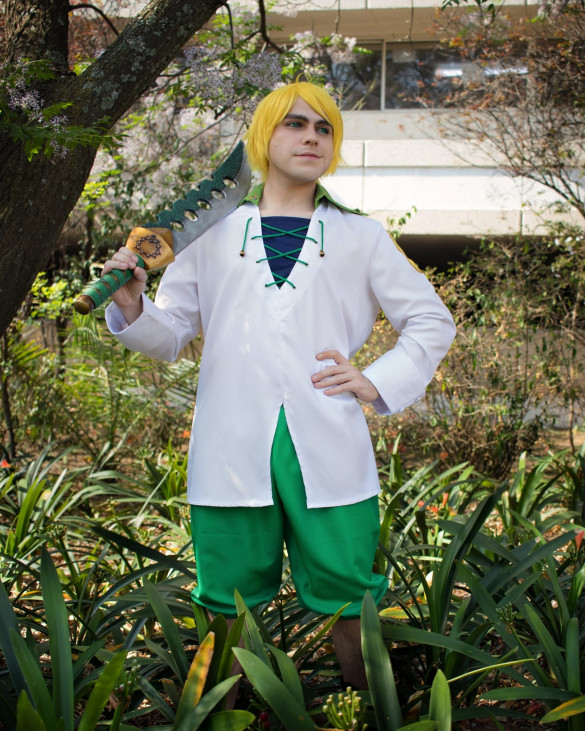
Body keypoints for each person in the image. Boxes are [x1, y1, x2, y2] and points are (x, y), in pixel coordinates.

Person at [103, 81, 456, 689]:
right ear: (264, 136)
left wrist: (374, 379)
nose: (311, 137)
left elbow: (431, 320)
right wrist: (133, 304)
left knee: (351, 591)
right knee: (226, 595)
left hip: (328, 436)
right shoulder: (209, 232)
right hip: (230, 440)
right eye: (294, 123)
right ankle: (217, 716)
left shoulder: (361, 236)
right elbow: (173, 332)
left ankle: (372, 712)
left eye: (324, 128)